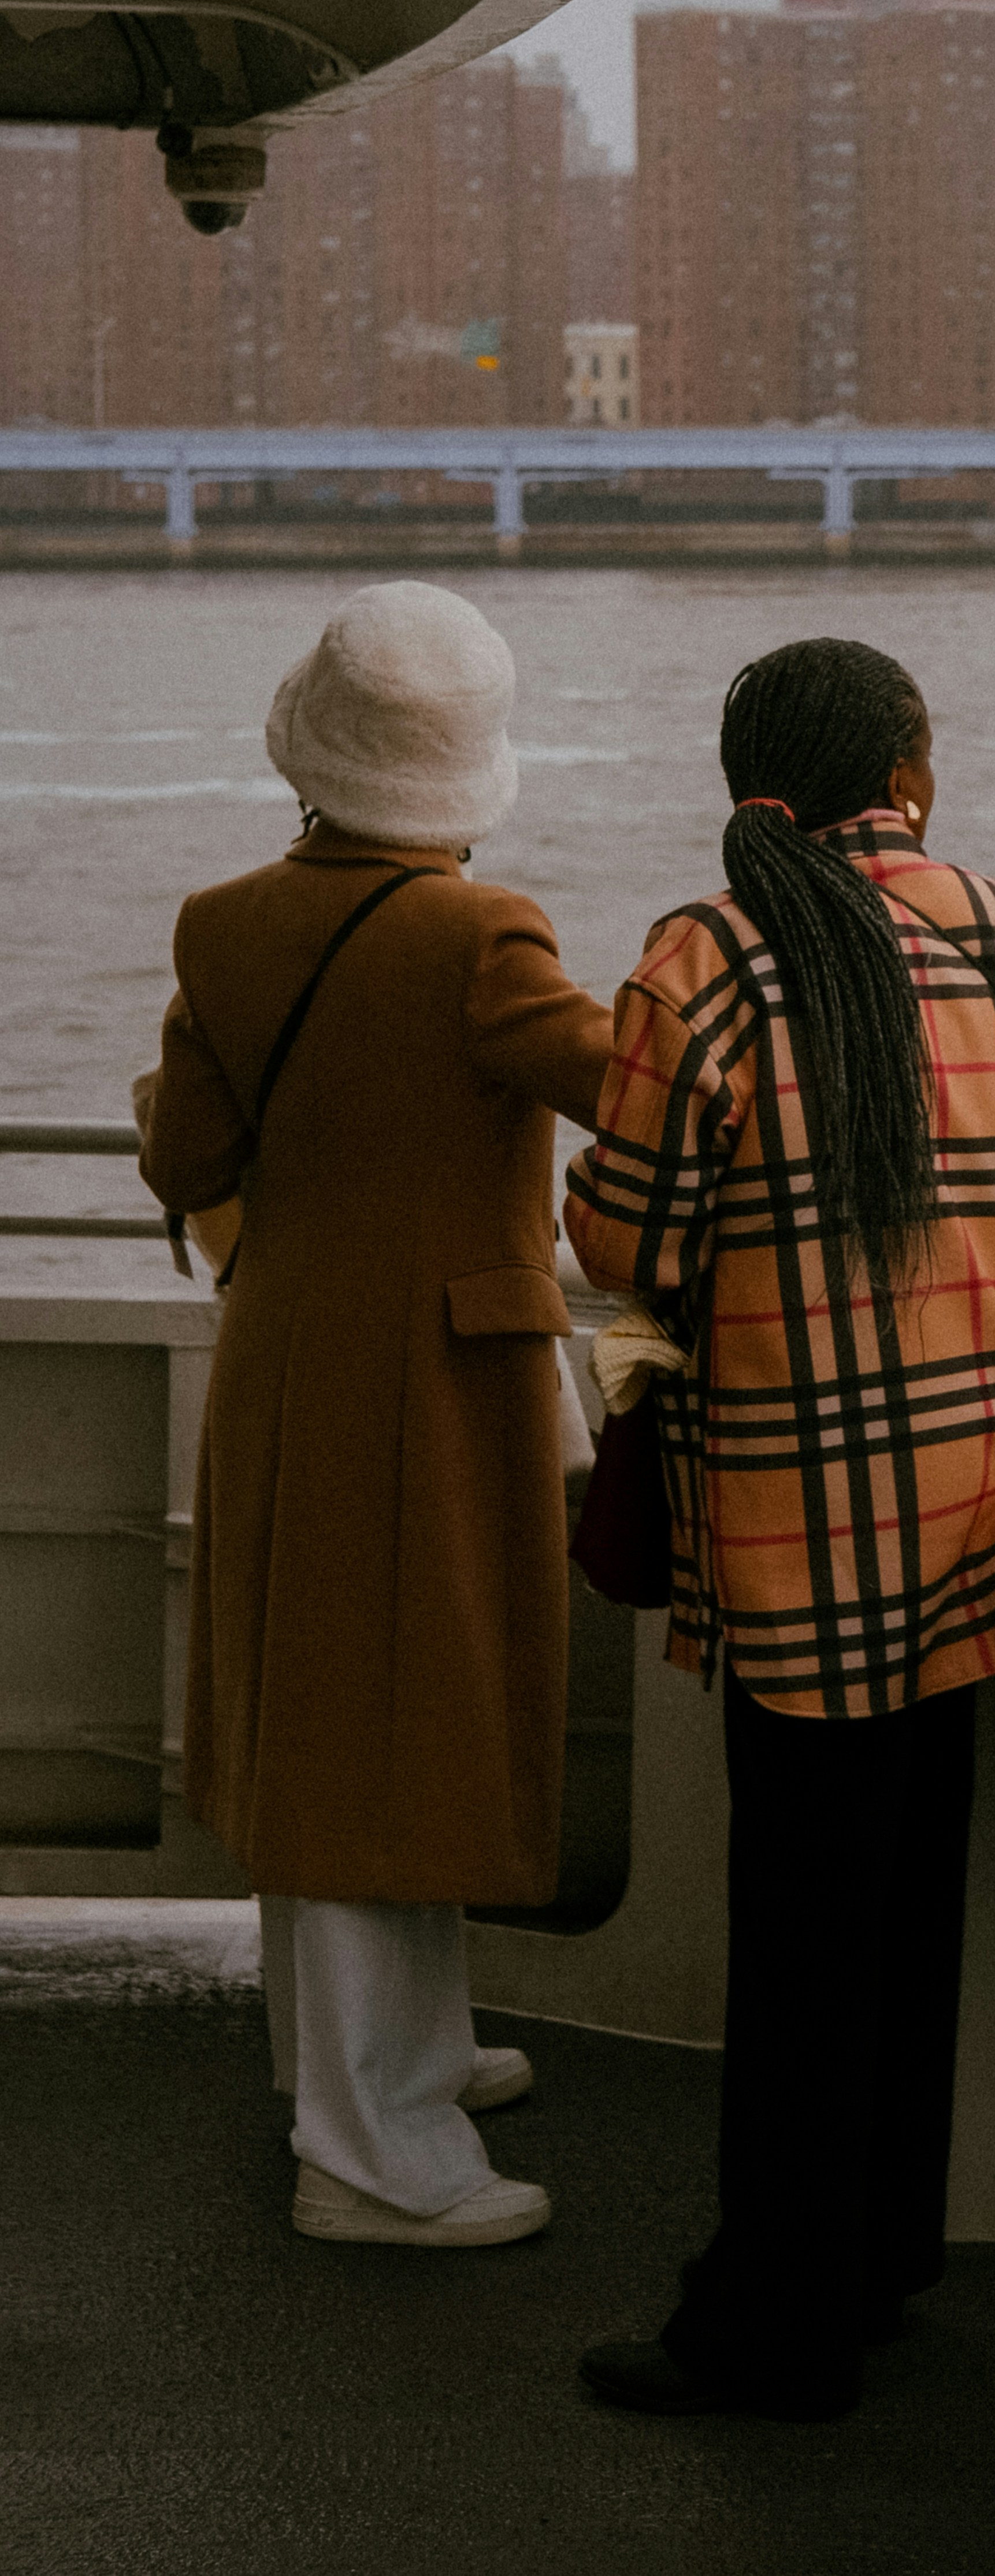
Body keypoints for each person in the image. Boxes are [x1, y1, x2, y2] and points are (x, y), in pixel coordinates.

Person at [564, 635, 995, 2420]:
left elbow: (628, 1245)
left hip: (795, 1504)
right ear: (909, 766)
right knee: (906, 1897)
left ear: (748, 773)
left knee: (804, 1923)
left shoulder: (705, 952)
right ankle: (883, 2253)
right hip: (978, 1484)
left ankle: (771, 2324)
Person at [136, 581, 613, 2248]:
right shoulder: (480, 936)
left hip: (285, 1362)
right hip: (434, 1380)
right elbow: (635, 1083)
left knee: (358, 1717)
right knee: (408, 1720)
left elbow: (186, 1156)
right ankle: (366, 2153)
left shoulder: (223, 920)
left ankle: (398, 2059)